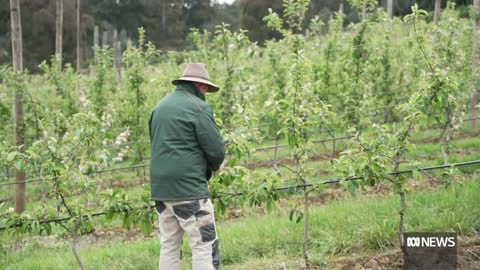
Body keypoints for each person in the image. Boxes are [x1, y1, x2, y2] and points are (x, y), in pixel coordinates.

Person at [148, 63, 226, 270]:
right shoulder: (198, 108)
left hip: (161, 191)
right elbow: (216, 150)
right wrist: (215, 167)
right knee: (203, 242)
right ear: (200, 85)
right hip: (188, 189)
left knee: (169, 245)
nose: (206, 93)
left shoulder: (159, 107)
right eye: (206, 89)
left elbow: (156, 143)